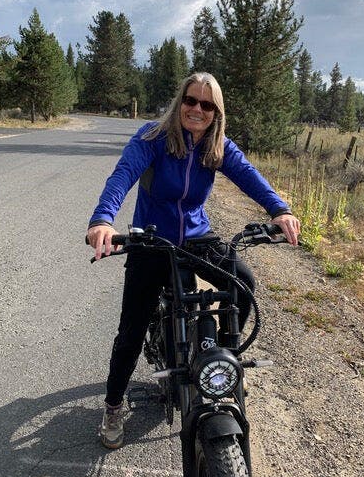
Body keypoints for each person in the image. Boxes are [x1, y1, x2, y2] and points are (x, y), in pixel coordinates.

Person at [87, 72, 300, 448]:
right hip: (152, 239)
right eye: (190, 100)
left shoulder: (218, 146)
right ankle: (113, 406)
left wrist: (279, 209)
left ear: (216, 112)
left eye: (206, 104)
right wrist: (103, 219)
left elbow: (248, 175)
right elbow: (123, 175)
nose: (197, 109)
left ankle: (221, 362)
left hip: (198, 238)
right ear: (179, 102)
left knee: (242, 284)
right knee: (131, 331)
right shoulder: (153, 137)